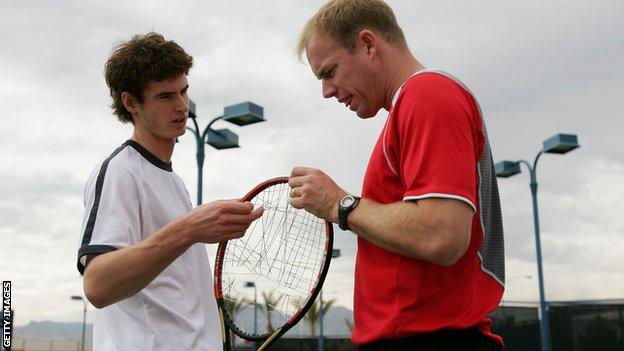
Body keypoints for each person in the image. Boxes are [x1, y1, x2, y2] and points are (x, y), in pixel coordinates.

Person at [290, 1, 505, 350]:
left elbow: (442, 234)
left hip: (432, 338)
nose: (326, 91)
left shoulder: (429, 95)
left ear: (369, 44)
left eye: (329, 72)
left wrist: (339, 205)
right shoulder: (414, 103)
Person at [76, 32, 263, 350]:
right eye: (165, 96)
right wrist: (190, 228)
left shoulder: (174, 183)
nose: (181, 105)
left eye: (184, 91)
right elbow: (98, 285)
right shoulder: (120, 172)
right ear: (130, 102)